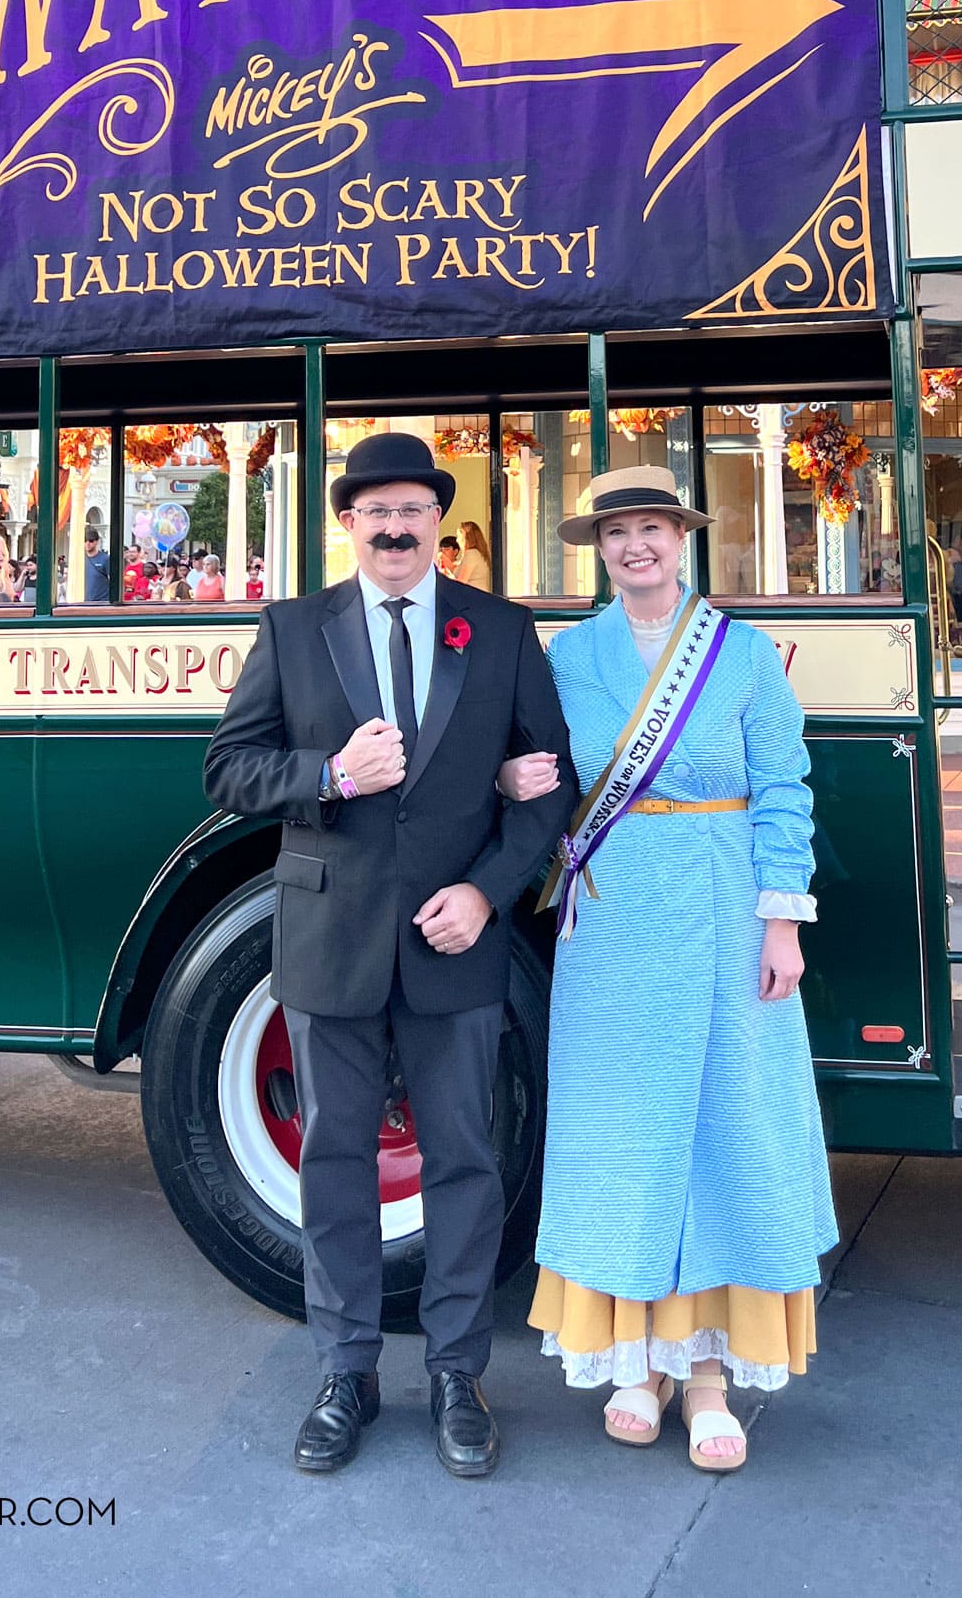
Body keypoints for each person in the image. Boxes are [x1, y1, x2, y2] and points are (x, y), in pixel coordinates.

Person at [205, 432, 575, 1479]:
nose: (395, 527)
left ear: (436, 523)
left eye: (412, 510)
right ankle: (345, 1371)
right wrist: (332, 772)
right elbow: (228, 769)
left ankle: (457, 1373)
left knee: (464, 1158)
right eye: (376, 512)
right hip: (331, 940)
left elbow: (544, 785)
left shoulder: (498, 631)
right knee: (332, 1159)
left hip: (453, 943)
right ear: (350, 524)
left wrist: (486, 892)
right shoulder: (291, 627)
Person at [499, 464, 837, 1471]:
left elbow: (783, 786)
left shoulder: (736, 656)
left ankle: (706, 1377)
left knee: (722, 1127)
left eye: (649, 528)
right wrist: (512, 779)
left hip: (726, 913)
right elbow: (541, 772)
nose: (633, 546)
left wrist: (781, 922)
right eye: (616, 533)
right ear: (597, 548)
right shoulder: (568, 657)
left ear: (679, 538)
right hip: (610, 925)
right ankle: (632, 1365)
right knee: (625, 1131)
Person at [455, 518, 493, 591]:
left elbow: (461, 583)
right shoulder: (478, 553)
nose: (457, 540)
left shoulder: (471, 554)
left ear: (466, 538)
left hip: (471, 598)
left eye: (459, 536)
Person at [84, 526, 110, 604]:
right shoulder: (79, 560)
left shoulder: (105, 559)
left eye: (91, 541)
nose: (87, 543)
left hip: (102, 602)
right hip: (83, 602)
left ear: (97, 541)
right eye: (85, 540)